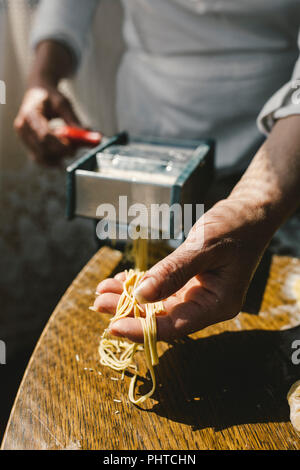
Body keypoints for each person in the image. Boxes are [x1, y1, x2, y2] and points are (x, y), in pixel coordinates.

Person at [15, 0, 300, 342]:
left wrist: (257, 199)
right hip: (149, 127)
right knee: (135, 281)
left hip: (278, 142)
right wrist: (42, 79)